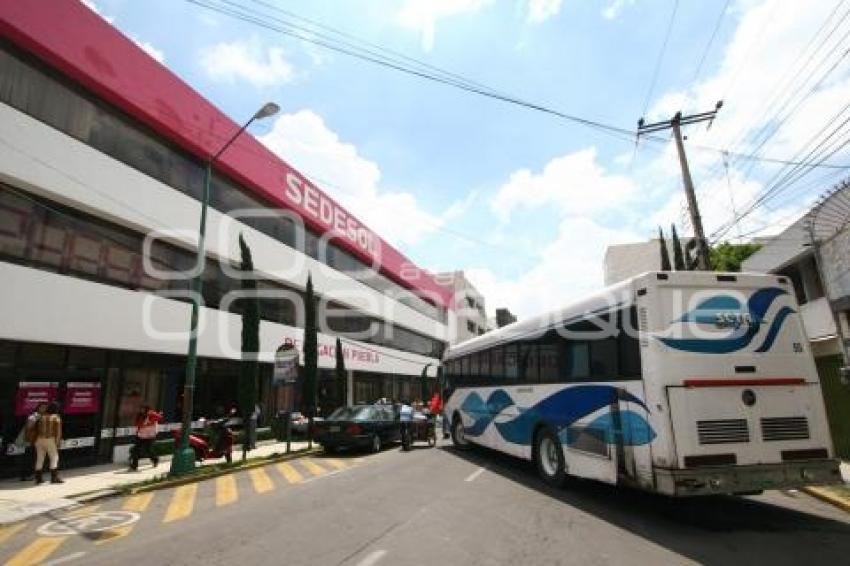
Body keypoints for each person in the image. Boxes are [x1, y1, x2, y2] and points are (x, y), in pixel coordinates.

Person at [13, 403, 45, 481]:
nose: (44, 409)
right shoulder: (35, 415)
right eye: (42, 407)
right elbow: (29, 426)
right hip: (31, 440)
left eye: (45, 408)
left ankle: (28, 474)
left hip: (35, 440)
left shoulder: (40, 416)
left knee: (32, 457)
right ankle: (27, 475)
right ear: (38, 408)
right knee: (30, 457)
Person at [34, 402, 62, 484]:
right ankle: (54, 478)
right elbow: (58, 432)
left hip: (38, 440)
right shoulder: (56, 417)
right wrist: (57, 442)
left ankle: (38, 479)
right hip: (50, 439)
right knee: (54, 457)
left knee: (40, 458)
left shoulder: (41, 416)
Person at [130, 405, 163, 471]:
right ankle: (134, 466)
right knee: (135, 450)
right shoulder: (139, 416)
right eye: (141, 409)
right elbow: (137, 424)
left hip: (150, 436)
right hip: (140, 435)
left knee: (148, 450)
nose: (141, 411)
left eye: (143, 409)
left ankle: (155, 460)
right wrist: (143, 425)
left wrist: (152, 415)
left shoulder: (152, 415)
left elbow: (159, 417)